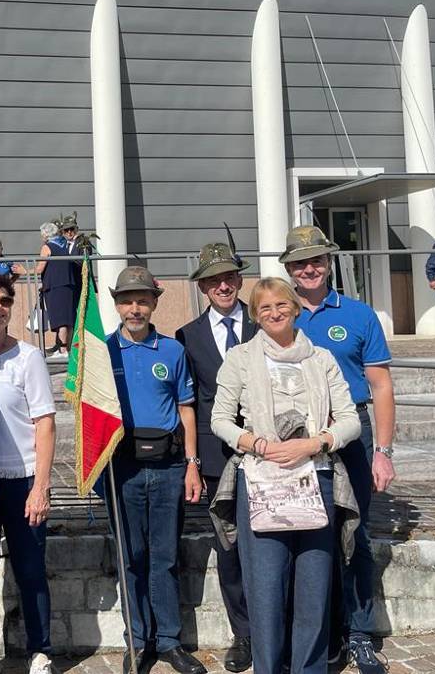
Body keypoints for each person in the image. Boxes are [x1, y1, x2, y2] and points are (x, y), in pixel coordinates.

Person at [209, 277, 361, 674]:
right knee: (266, 591)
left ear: (295, 308)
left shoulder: (322, 359)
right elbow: (220, 419)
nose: (274, 313)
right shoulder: (240, 359)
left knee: (313, 590)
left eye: (281, 306)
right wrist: (257, 444)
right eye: (264, 308)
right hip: (261, 481)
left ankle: (308, 668)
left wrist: (314, 444)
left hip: (316, 478)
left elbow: (350, 420)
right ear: (255, 316)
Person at [280, 225, 395, 674]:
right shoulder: (276, 314)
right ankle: (320, 634)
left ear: (328, 264)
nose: (309, 269)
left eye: (316, 261)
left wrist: (382, 450)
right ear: (288, 269)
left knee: (356, 536)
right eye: (299, 263)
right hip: (296, 440)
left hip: (351, 436)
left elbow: (381, 386)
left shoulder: (359, 314)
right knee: (305, 537)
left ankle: (360, 633)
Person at [100, 265, 206, 674]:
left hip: (167, 467)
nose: (135, 308)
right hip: (122, 468)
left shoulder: (172, 351)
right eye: (127, 300)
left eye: (142, 300)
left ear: (154, 303)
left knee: (163, 556)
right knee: (132, 556)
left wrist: (192, 465)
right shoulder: (103, 353)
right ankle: (137, 640)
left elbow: (186, 409)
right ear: (116, 305)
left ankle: (169, 641)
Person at [0, 271, 56, 674]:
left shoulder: (28, 357)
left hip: (22, 478)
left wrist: (41, 485)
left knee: (30, 568)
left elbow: (45, 424)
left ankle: (40, 649)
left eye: (5, 300)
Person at [175, 242, 255, 673]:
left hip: (269, 449)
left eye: (230, 277)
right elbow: (189, 402)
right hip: (216, 454)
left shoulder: (266, 322)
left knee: (273, 540)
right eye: (214, 280)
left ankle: (275, 626)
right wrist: (192, 461)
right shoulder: (188, 336)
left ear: (239, 280)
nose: (223, 285)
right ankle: (243, 633)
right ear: (203, 286)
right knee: (229, 546)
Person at [23, 221, 80, 356]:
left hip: (55, 286)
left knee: (60, 321)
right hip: (69, 285)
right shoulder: (65, 244)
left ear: (45, 235)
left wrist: (23, 270)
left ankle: (63, 350)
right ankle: (68, 349)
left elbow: (40, 268)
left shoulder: (47, 247)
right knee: (68, 320)